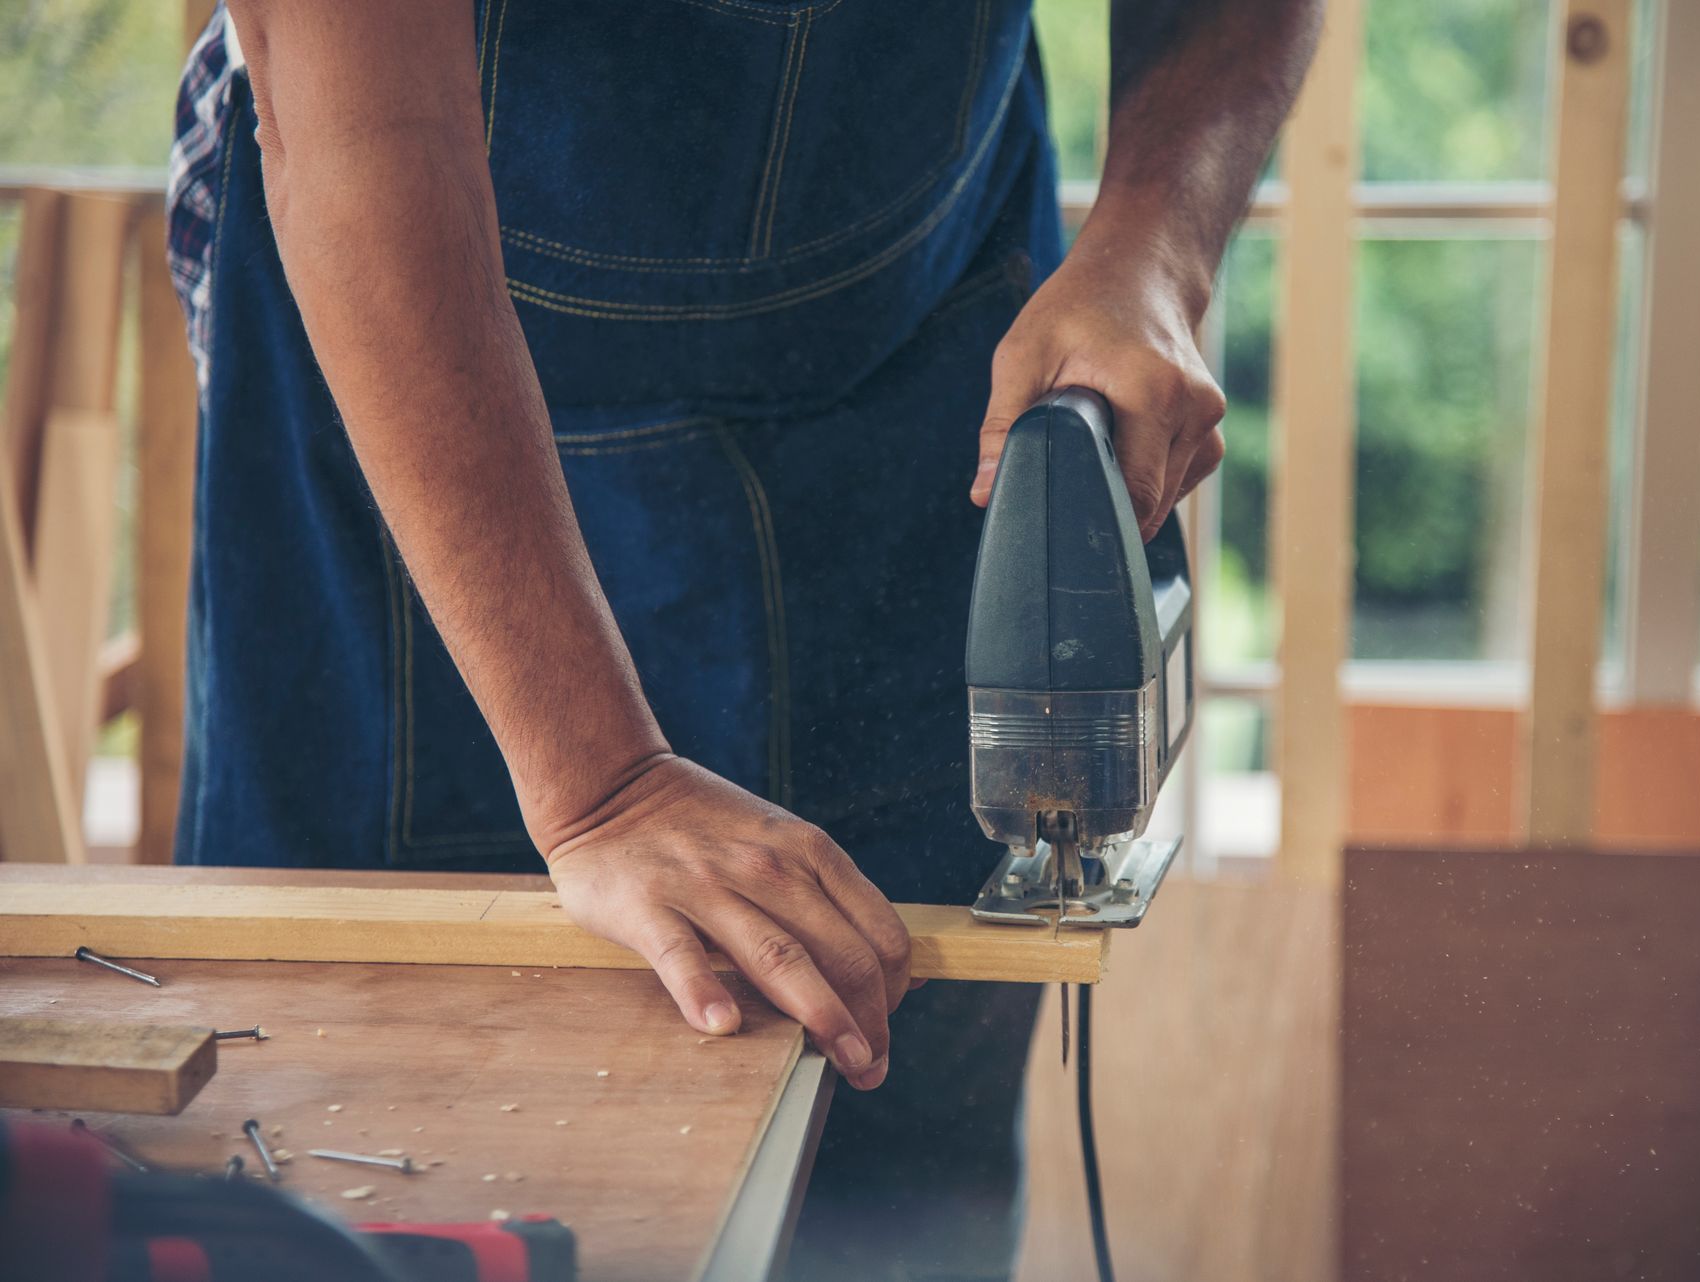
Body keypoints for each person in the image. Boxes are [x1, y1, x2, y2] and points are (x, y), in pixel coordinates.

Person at [165, 0, 1320, 1274]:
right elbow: (366, 133)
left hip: (919, 324)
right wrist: (599, 788)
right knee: (374, 1143)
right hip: (414, 336)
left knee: (898, 1158)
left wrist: (1153, 251)